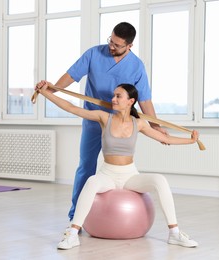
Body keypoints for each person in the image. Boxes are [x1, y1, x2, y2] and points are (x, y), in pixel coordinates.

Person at [35, 81, 199, 249]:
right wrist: (45, 93)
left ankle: (175, 233)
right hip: (108, 175)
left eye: (118, 96)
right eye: (113, 95)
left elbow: (165, 139)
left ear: (131, 101)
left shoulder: (139, 123)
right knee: (91, 182)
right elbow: (72, 108)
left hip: (130, 176)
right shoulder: (104, 117)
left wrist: (191, 141)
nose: (113, 99)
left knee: (160, 180)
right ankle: (73, 234)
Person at [36, 22, 167, 222]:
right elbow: (71, 76)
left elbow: (145, 100)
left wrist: (157, 129)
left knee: (120, 167)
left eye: (117, 45)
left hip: (120, 124)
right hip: (94, 120)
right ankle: (76, 216)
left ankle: (114, 214)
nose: (111, 46)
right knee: (86, 165)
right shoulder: (94, 54)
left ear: (129, 46)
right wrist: (50, 90)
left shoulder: (137, 66)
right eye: (110, 41)